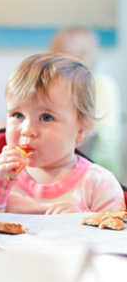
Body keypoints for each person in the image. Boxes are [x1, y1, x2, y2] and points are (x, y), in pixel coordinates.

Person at [0, 53, 125, 215]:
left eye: (46, 117)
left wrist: (82, 220)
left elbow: (115, 236)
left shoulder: (98, 184)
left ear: (81, 130)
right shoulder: (1, 175)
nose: (27, 130)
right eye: (18, 115)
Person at [50, 28, 123, 179]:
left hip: (99, 167)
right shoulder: (62, 84)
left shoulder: (102, 86)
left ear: (86, 58)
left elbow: (94, 135)